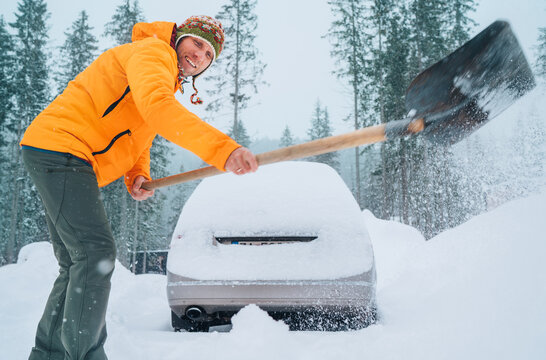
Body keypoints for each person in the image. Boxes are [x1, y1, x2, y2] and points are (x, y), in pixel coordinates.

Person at [20, 15, 258, 360]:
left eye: (208, 54)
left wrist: (137, 172)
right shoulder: (154, 53)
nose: (200, 56)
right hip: (63, 149)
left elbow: (139, 127)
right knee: (94, 255)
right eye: (196, 43)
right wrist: (225, 150)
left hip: (58, 150)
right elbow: (158, 110)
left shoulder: (161, 67)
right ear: (179, 38)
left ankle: (50, 355)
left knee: (76, 262)